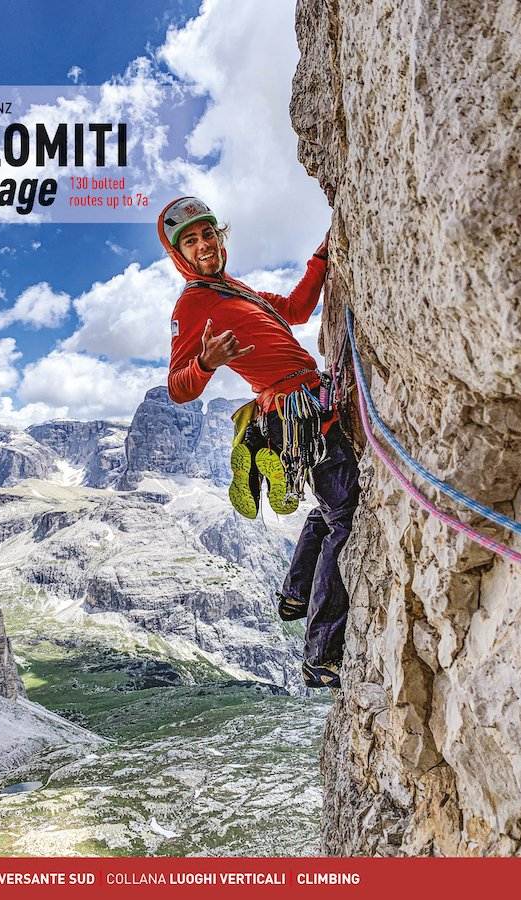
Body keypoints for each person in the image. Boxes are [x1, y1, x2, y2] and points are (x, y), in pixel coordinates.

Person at [158, 196, 360, 689]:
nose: (204, 245)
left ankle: (294, 593)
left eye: (209, 234)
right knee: (346, 516)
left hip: (306, 402)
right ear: (179, 253)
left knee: (329, 506)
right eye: (192, 240)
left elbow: (295, 309)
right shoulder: (193, 305)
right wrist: (205, 362)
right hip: (294, 410)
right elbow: (178, 388)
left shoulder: (235, 290)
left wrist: (320, 258)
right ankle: (320, 655)